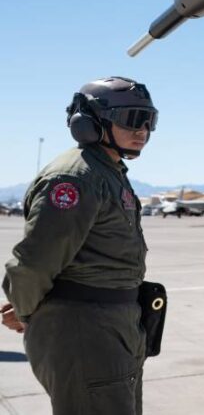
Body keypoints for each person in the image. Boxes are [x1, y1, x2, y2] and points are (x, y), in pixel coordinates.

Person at [2, 77, 157, 414]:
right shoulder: (75, 177)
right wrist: (29, 311)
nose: (143, 129)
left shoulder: (109, 172)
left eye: (149, 119)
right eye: (132, 118)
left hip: (114, 325)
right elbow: (34, 263)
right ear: (89, 122)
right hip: (86, 331)